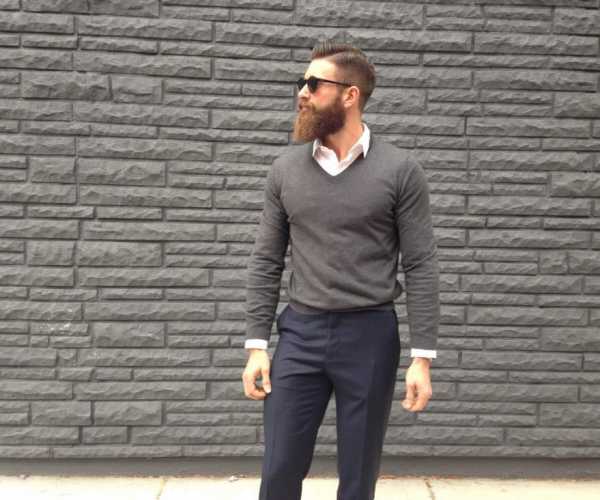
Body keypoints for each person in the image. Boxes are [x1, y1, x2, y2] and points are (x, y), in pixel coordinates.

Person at [241, 39, 440, 500]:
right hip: (300, 333)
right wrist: (256, 345)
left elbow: (420, 264)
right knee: (279, 468)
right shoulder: (285, 169)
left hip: (370, 336)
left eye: (314, 84)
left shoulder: (400, 171)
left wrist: (422, 358)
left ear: (350, 95)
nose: (302, 92)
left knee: (358, 475)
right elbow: (267, 259)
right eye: (302, 82)